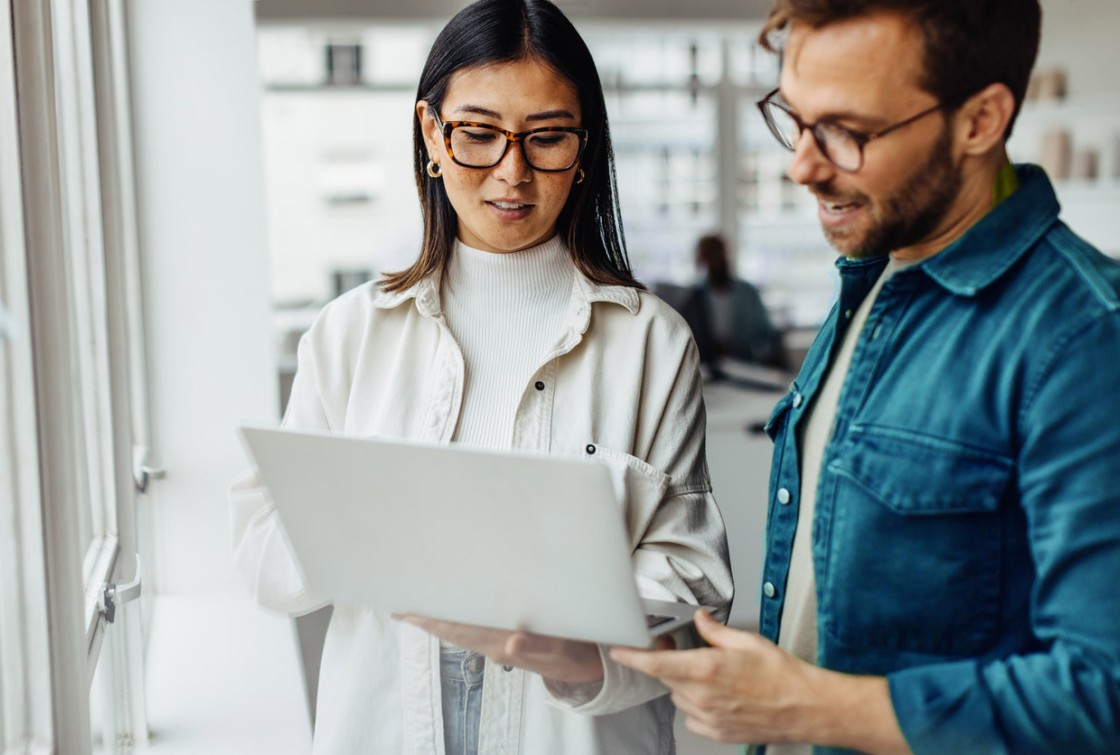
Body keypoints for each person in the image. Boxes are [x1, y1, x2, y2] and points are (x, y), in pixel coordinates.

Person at [612, 1, 1120, 753]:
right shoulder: (873, 279)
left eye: (848, 132)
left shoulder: (1085, 337)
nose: (802, 165)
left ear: (980, 120)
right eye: (795, 117)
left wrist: (812, 708)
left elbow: (1102, 692)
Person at [228, 1, 733, 753]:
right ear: (432, 135)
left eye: (547, 137)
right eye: (478, 133)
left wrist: (571, 649)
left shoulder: (651, 343)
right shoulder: (347, 334)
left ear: (585, 147)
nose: (512, 171)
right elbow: (265, 565)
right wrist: (370, 517)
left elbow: (693, 593)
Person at [692, 233, 788, 371]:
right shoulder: (696, 295)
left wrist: (760, 355)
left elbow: (766, 333)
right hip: (709, 369)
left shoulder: (748, 292)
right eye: (708, 257)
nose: (714, 262)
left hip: (747, 366)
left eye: (717, 255)